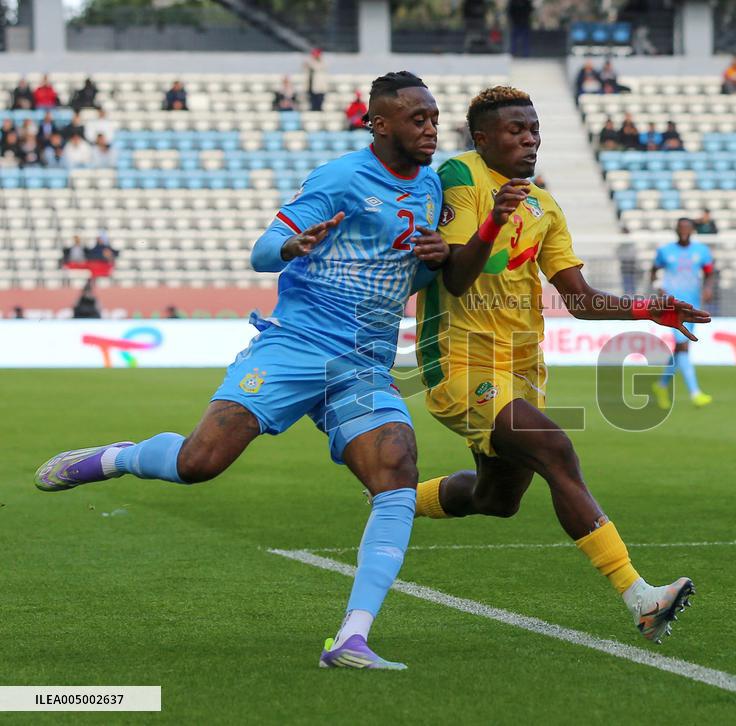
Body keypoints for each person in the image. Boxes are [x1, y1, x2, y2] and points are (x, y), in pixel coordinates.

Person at [33, 71, 450, 671]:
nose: (431, 128)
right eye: (418, 119)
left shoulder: (432, 187)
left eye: (434, 118)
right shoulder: (340, 178)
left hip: (364, 360)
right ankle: (115, 457)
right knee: (198, 463)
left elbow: (412, 271)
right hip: (296, 344)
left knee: (397, 473)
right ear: (379, 124)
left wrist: (435, 263)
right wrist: (293, 245)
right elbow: (260, 252)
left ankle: (352, 637)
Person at [412, 86, 706, 644]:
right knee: (555, 448)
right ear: (482, 138)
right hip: (459, 361)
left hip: (522, 368)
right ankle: (640, 596)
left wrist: (647, 308)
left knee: (497, 500)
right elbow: (453, 277)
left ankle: (401, 499)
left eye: (535, 130)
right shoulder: (459, 177)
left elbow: (578, 297)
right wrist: (493, 223)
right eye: (516, 130)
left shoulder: (543, 205)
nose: (530, 139)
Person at [650, 218, 715, 409]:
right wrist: (658, 287)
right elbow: (653, 271)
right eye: (681, 228)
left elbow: (710, 272)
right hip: (672, 306)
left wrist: (708, 288)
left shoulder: (702, 251)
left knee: (680, 348)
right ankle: (695, 393)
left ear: (692, 230)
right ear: (676, 230)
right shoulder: (665, 251)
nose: (684, 231)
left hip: (692, 305)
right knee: (683, 345)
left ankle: (661, 385)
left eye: (687, 228)